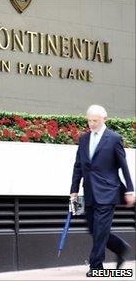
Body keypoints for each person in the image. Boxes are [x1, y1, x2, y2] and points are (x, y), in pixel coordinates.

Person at [70, 104, 135, 277]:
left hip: (108, 192)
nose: (91, 124)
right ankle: (120, 248)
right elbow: (78, 166)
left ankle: (96, 266)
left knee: (100, 230)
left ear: (104, 119)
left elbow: (124, 166)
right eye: (89, 120)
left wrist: (129, 190)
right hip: (89, 192)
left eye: (95, 121)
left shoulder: (114, 138)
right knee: (93, 229)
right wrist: (74, 190)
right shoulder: (84, 139)